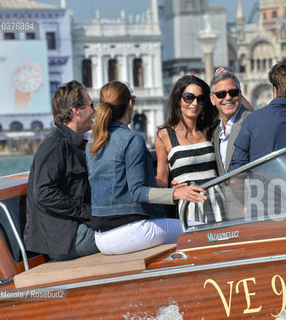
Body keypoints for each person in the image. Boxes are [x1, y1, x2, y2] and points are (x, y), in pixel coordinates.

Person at [86, 81, 206, 255]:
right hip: (130, 232)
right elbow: (137, 191)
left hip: (101, 238)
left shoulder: (92, 142)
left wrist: (168, 189)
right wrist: (176, 194)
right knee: (202, 229)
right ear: (130, 104)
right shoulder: (131, 139)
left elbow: (122, 186)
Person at [24, 80, 99, 261]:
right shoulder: (55, 145)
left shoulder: (76, 145)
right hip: (63, 239)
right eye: (91, 105)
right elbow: (43, 193)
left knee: (127, 227)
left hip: (74, 230)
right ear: (76, 110)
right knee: (125, 234)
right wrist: (87, 211)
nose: (95, 111)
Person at [155, 75, 223, 223]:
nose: (195, 103)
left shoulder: (210, 129)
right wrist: (173, 190)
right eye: (189, 97)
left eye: (200, 99)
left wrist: (228, 82)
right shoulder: (165, 136)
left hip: (219, 204)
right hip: (189, 209)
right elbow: (161, 180)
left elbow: (244, 118)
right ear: (178, 100)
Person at [210, 69, 252, 175]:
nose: (228, 98)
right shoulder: (215, 132)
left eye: (233, 92)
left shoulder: (251, 122)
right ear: (212, 99)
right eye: (221, 94)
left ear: (240, 94)